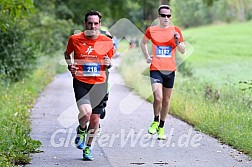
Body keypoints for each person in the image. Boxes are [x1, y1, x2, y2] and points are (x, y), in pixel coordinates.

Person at [64, 10, 114, 160]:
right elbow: (67, 54)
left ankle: (87, 148)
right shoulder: (74, 39)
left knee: (95, 120)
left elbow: (108, 63)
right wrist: (70, 65)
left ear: (100, 24)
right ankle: (81, 129)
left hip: (99, 84)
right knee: (86, 113)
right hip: (81, 82)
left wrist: (109, 64)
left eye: (96, 23)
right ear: (85, 24)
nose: (93, 26)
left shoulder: (107, 42)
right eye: (90, 23)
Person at [140, 5, 185, 140]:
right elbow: (142, 43)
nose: (166, 18)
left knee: (166, 100)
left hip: (170, 70)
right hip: (155, 69)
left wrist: (177, 41)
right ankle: (155, 119)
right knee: (158, 97)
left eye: (168, 16)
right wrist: (147, 57)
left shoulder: (176, 31)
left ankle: (161, 126)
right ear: (158, 16)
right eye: (163, 15)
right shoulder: (152, 30)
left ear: (170, 17)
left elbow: (183, 51)